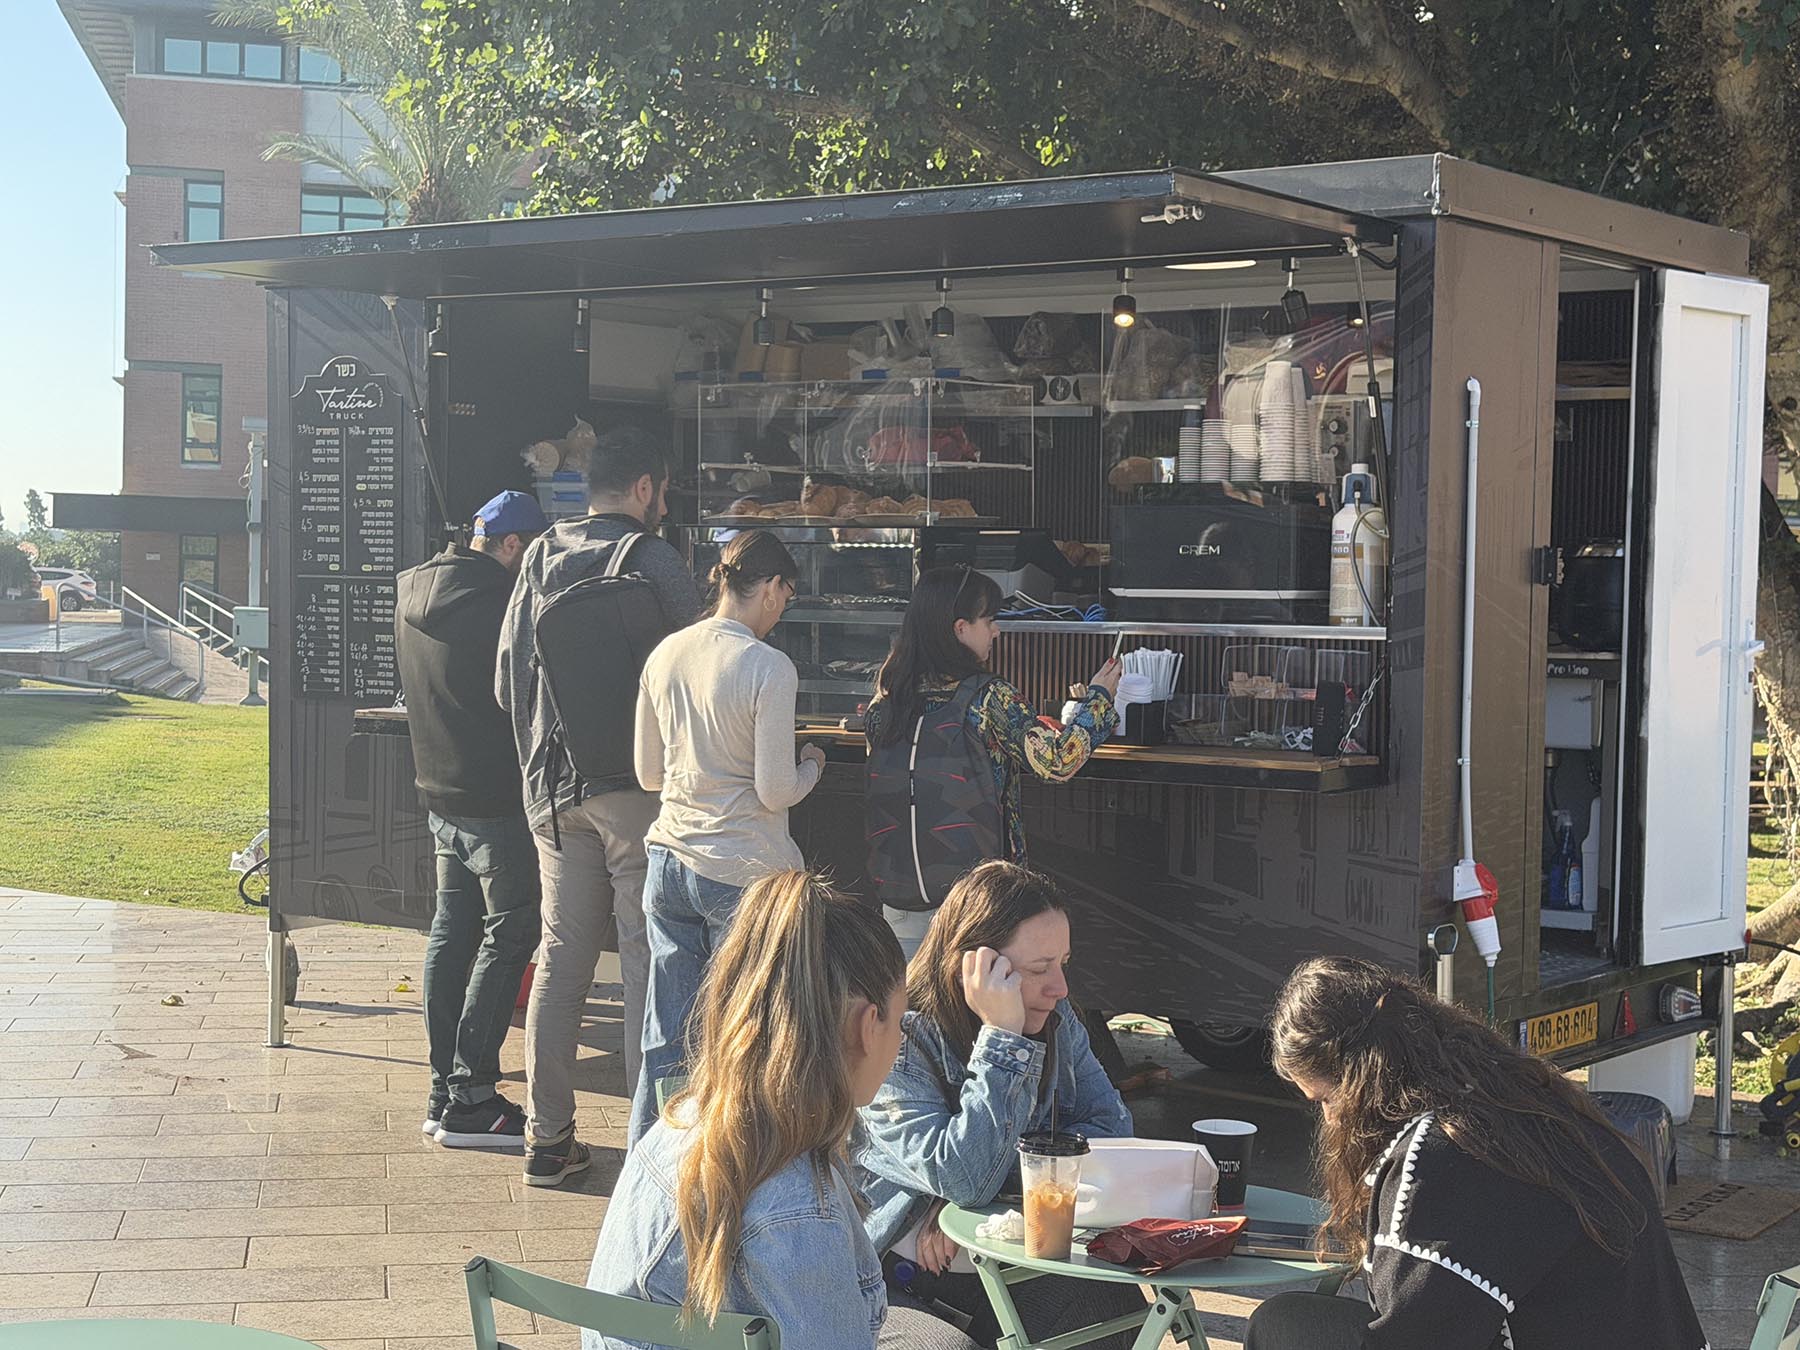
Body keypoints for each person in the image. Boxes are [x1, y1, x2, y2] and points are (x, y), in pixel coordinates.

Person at [586, 870, 977, 1350]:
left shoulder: (686, 1118)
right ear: (867, 1025)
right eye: (900, 1021)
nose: (901, 1040)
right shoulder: (799, 1206)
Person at [1243, 956, 1707, 1350]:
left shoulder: (1437, 1158)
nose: (1330, 1121)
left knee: (1283, 1326)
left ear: (1361, 1080)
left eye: (1326, 1100)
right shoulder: (1524, 1099)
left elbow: (1416, 1338)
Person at [497, 425, 702, 1187]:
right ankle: (651, 1148)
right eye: (663, 492)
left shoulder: (539, 556)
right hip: (636, 790)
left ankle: (547, 1140)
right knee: (646, 956)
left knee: (562, 958)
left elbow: (505, 682)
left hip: (551, 792)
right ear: (645, 489)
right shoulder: (654, 560)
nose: (663, 505)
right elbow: (702, 671)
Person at [856, 861, 1145, 1348]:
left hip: (1007, 1262)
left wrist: (960, 1205)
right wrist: (1003, 1039)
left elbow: (1113, 1133)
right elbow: (965, 1176)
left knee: (1112, 1305)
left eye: (1063, 963)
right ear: (977, 968)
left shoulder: (1059, 1020)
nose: (1060, 988)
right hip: (894, 1283)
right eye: (1039, 969)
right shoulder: (899, 1039)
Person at [626, 528, 824, 1142]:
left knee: (667, 1036)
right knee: (740, 1034)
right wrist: (813, 764)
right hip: (741, 868)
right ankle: (727, 1162)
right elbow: (775, 790)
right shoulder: (768, 666)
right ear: (770, 587)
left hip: (668, 860)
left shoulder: (666, 654)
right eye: (786, 595)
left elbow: (648, 773)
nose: (783, 608)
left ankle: (651, 1163)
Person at [865, 565, 1120, 958]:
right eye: (989, 620)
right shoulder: (989, 698)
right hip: (979, 903)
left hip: (899, 895)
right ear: (960, 628)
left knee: (910, 993)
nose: (996, 631)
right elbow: (1056, 762)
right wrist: (1099, 700)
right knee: (977, 992)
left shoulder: (887, 698)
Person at [395, 489, 548, 1148]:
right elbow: (528, 696)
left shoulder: (413, 588)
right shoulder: (501, 603)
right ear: (511, 546)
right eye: (532, 552)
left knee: (451, 935)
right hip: (495, 797)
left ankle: (443, 1091)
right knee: (511, 934)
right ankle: (472, 1097)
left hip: (440, 793)